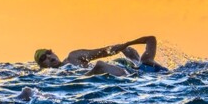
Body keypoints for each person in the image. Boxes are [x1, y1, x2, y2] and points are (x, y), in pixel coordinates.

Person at [33, 35, 166, 76]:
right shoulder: (49, 76)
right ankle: (141, 67)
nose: (49, 57)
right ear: (41, 66)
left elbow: (104, 51)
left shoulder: (73, 57)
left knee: (129, 51)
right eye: (43, 58)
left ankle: (139, 66)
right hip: (128, 72)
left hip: (130, 70)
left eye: (49, 52)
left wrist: (124, 45)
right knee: (100, 66)